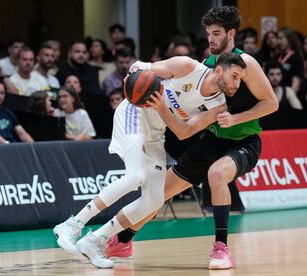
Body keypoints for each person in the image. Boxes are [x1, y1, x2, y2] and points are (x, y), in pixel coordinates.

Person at [105, 5, 278, 270]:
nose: (211, 39)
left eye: (217, 33)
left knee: (217, 174)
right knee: (158, 193)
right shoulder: (208, 66)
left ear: (231, 33)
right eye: (208, 33)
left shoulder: (247, 64)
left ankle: (221, 248)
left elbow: (271, 104)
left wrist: (236, 119)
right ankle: (123, 240)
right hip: (212, 138)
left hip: (244, 141)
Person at [53, 52, 247, 268]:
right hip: (134, 113)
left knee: (154, 200)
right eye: (235, 76)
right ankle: (72, 225)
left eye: (240, 78)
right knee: (136, 176)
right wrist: (133, 79)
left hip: (156, 132)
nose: (237, 84)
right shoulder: (186, 67)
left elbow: (184, 132)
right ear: (219, 70)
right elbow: (140, 66)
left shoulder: (219, 106)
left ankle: (95, 239)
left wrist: (162, 107)